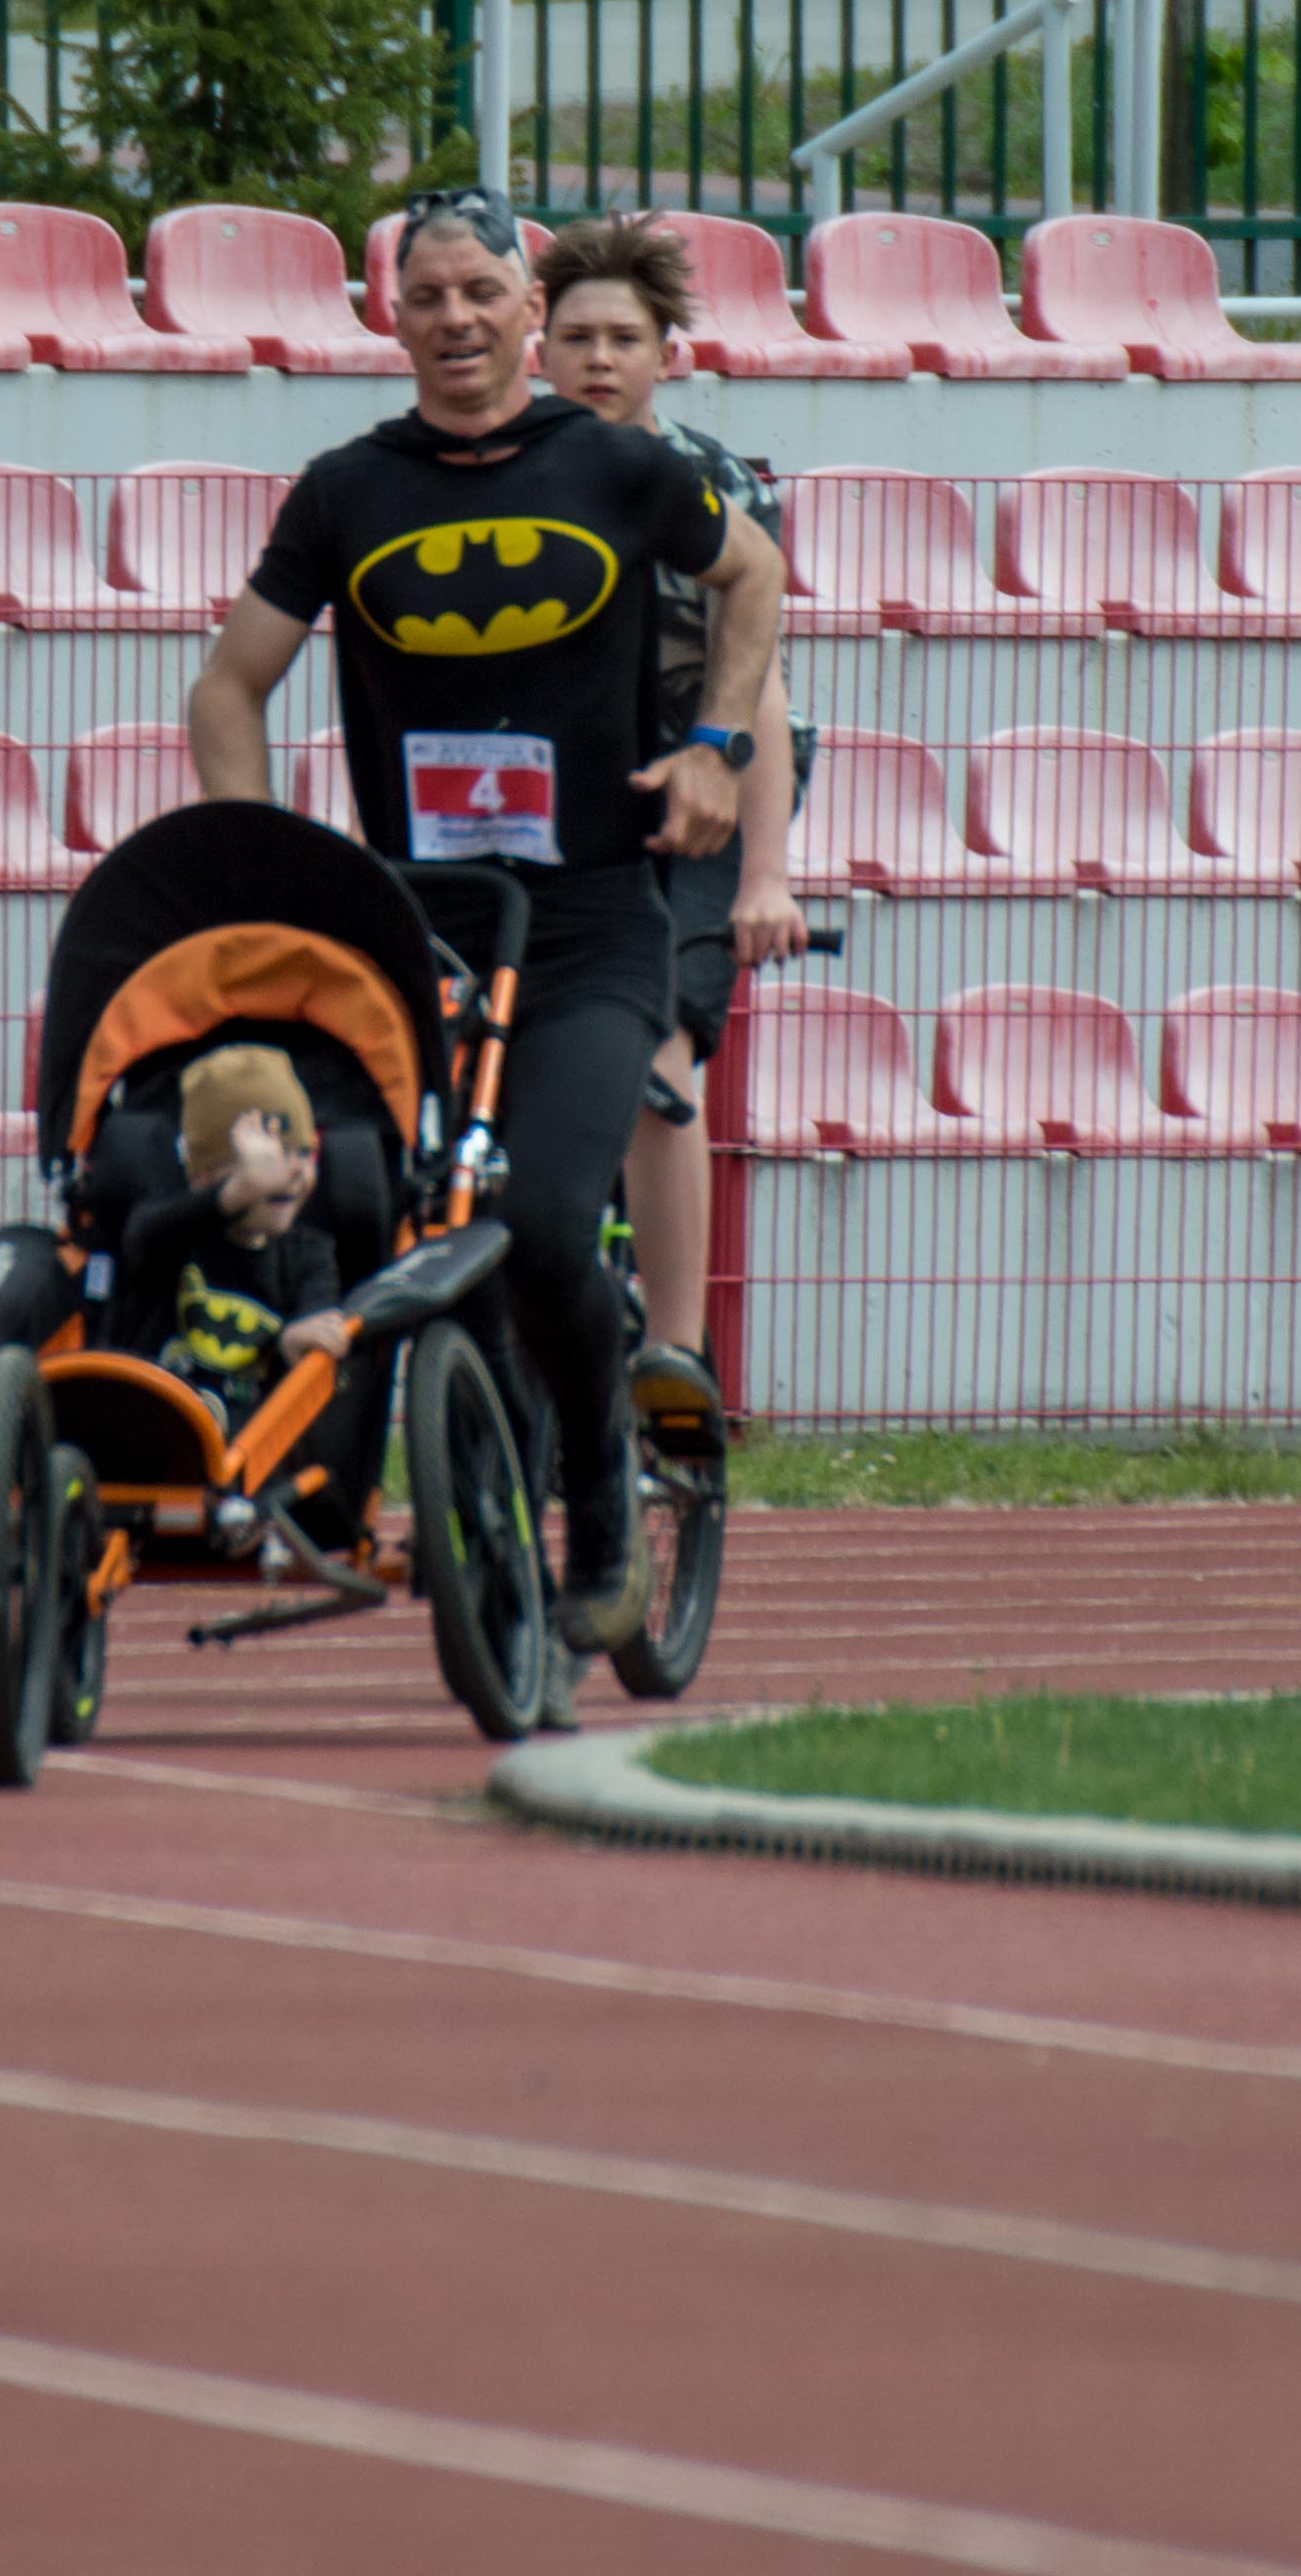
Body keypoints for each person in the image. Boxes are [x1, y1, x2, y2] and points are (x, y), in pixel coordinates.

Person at [184, 183, 788, 1690]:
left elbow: (754, 575)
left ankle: (598, 1484)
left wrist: (714, 742)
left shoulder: (618, 463)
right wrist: (260, 857)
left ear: (529, 310)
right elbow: (224, 689)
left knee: (533, 1214)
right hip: (412, 925)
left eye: (479, 293)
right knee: (376, 1210)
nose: (454, 319)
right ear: (392, 318)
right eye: (423, 296)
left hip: (588, 920)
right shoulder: (344, 490)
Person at [530, 217, 810, 1417]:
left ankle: (678, 1360)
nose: (600, 359)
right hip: (553, 794)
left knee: (659, 1055)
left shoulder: (718, 483)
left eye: (624, 338)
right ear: (537, 348)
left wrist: (765, 878)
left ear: (665, 355)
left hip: (698, 774)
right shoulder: (500, 472)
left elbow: (762, 695)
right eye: (578, 337)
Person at [113, 1045, 348, 1421]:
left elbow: (318, 1306)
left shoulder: (309, 1252)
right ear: (204, 1176)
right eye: (264, 1161)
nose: (287, 1173)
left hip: (254, 1443)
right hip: (156, 1421)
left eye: (302, 1153)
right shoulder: (175, 1237)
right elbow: (142, 1236)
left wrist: (300, 1334)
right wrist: (241, 1191)